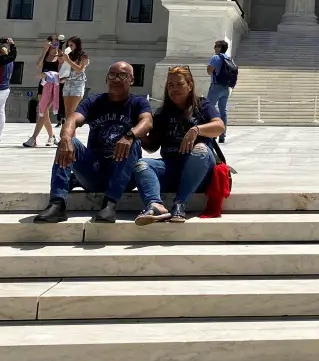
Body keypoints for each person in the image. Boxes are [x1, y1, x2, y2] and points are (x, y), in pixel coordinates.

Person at [34, 61, 152, 224]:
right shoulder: (95, 101)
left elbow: (147, 122)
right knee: (69, 142)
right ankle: (57, 204)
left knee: (135, 143)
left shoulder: (138, 103)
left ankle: (110, 204)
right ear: (106, 79)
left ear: (131, 80)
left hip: (124, 176)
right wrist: (66, 137)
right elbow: (73, 118)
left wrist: (130, 135)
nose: (116, 79)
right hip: (95, 172)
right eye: (112, 75)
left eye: (122, 75)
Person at [132, 65, 225, 225]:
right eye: (170, 85)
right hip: (171, 168)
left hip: (199, 172)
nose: (174, 89)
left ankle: (180, 203)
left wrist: (196, 129)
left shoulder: (202, 105)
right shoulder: (162, 113)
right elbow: (152, 146)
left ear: (190, 85)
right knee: (142, 164)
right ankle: (155, 205)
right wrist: (136, 134)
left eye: (179, 84)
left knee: (200, 150)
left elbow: (219, 126)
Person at [206, 39, 235, 143]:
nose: (214, 48)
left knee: (209, 108)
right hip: (226, 88)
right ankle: (222, 135)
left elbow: (209, 71)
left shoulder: (215, 57)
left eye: (216, 46)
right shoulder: (229, 58)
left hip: (216, 86)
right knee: (223, 112)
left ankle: (212, 134)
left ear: (220, 48)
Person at [59, 36, 89, 127]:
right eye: (68, 45)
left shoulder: (83, 56)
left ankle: (71, 137)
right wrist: (62, 60)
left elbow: (79, 69)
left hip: (77, 85)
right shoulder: (69, 55)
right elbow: (65, 69)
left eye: (71, 45)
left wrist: (67, 60)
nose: (69, 47)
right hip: (67, 84)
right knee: (67, 113)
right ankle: (70, 136)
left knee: (71, 112)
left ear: (77, 45)